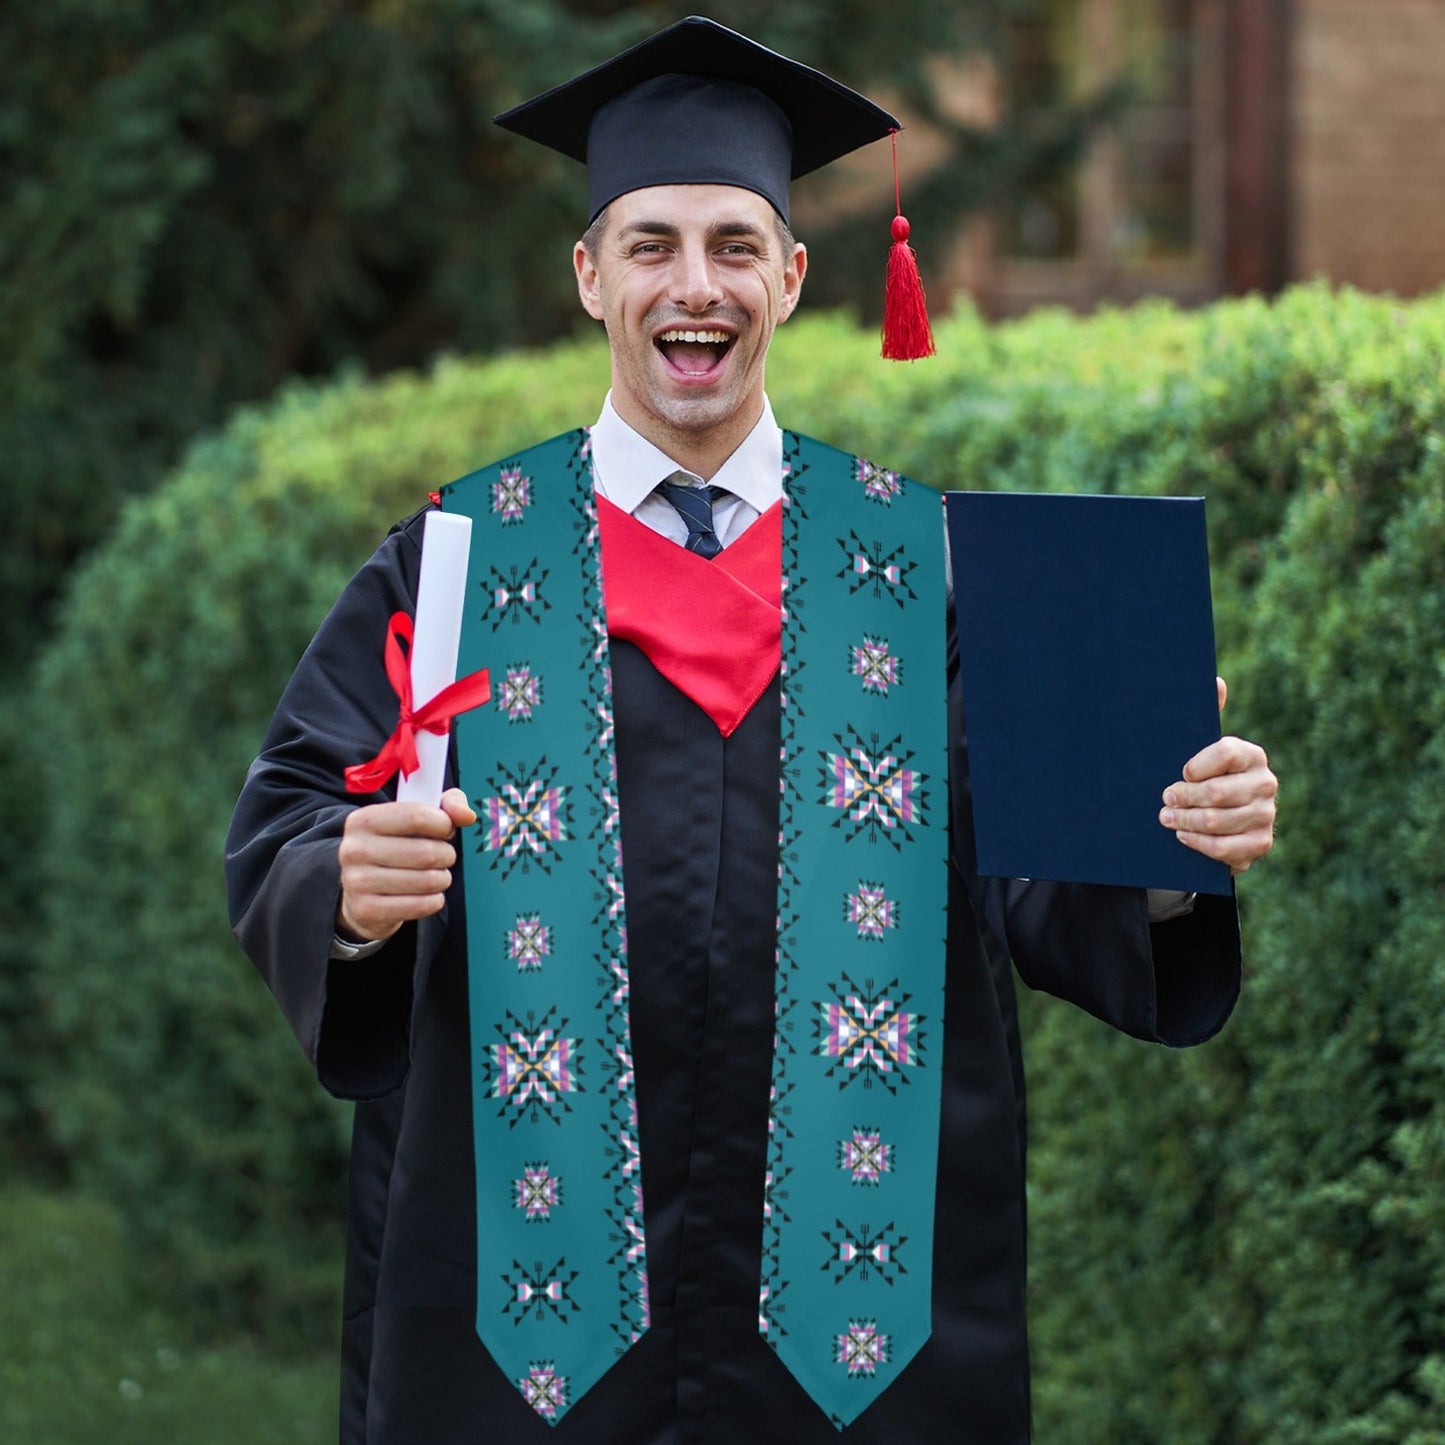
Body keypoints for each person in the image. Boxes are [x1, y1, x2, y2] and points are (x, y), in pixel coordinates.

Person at [225, 17, 1277, 1444]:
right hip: (519, 1323)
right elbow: (292, 816)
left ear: (789, 276)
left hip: (863, 1329)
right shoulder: (461, 562)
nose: (692, 285)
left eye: (732, 244)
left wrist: (1166, 845)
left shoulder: (932, 572)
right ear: (588, 275)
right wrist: (342, 888)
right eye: (649, 244)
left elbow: (1041, 883)